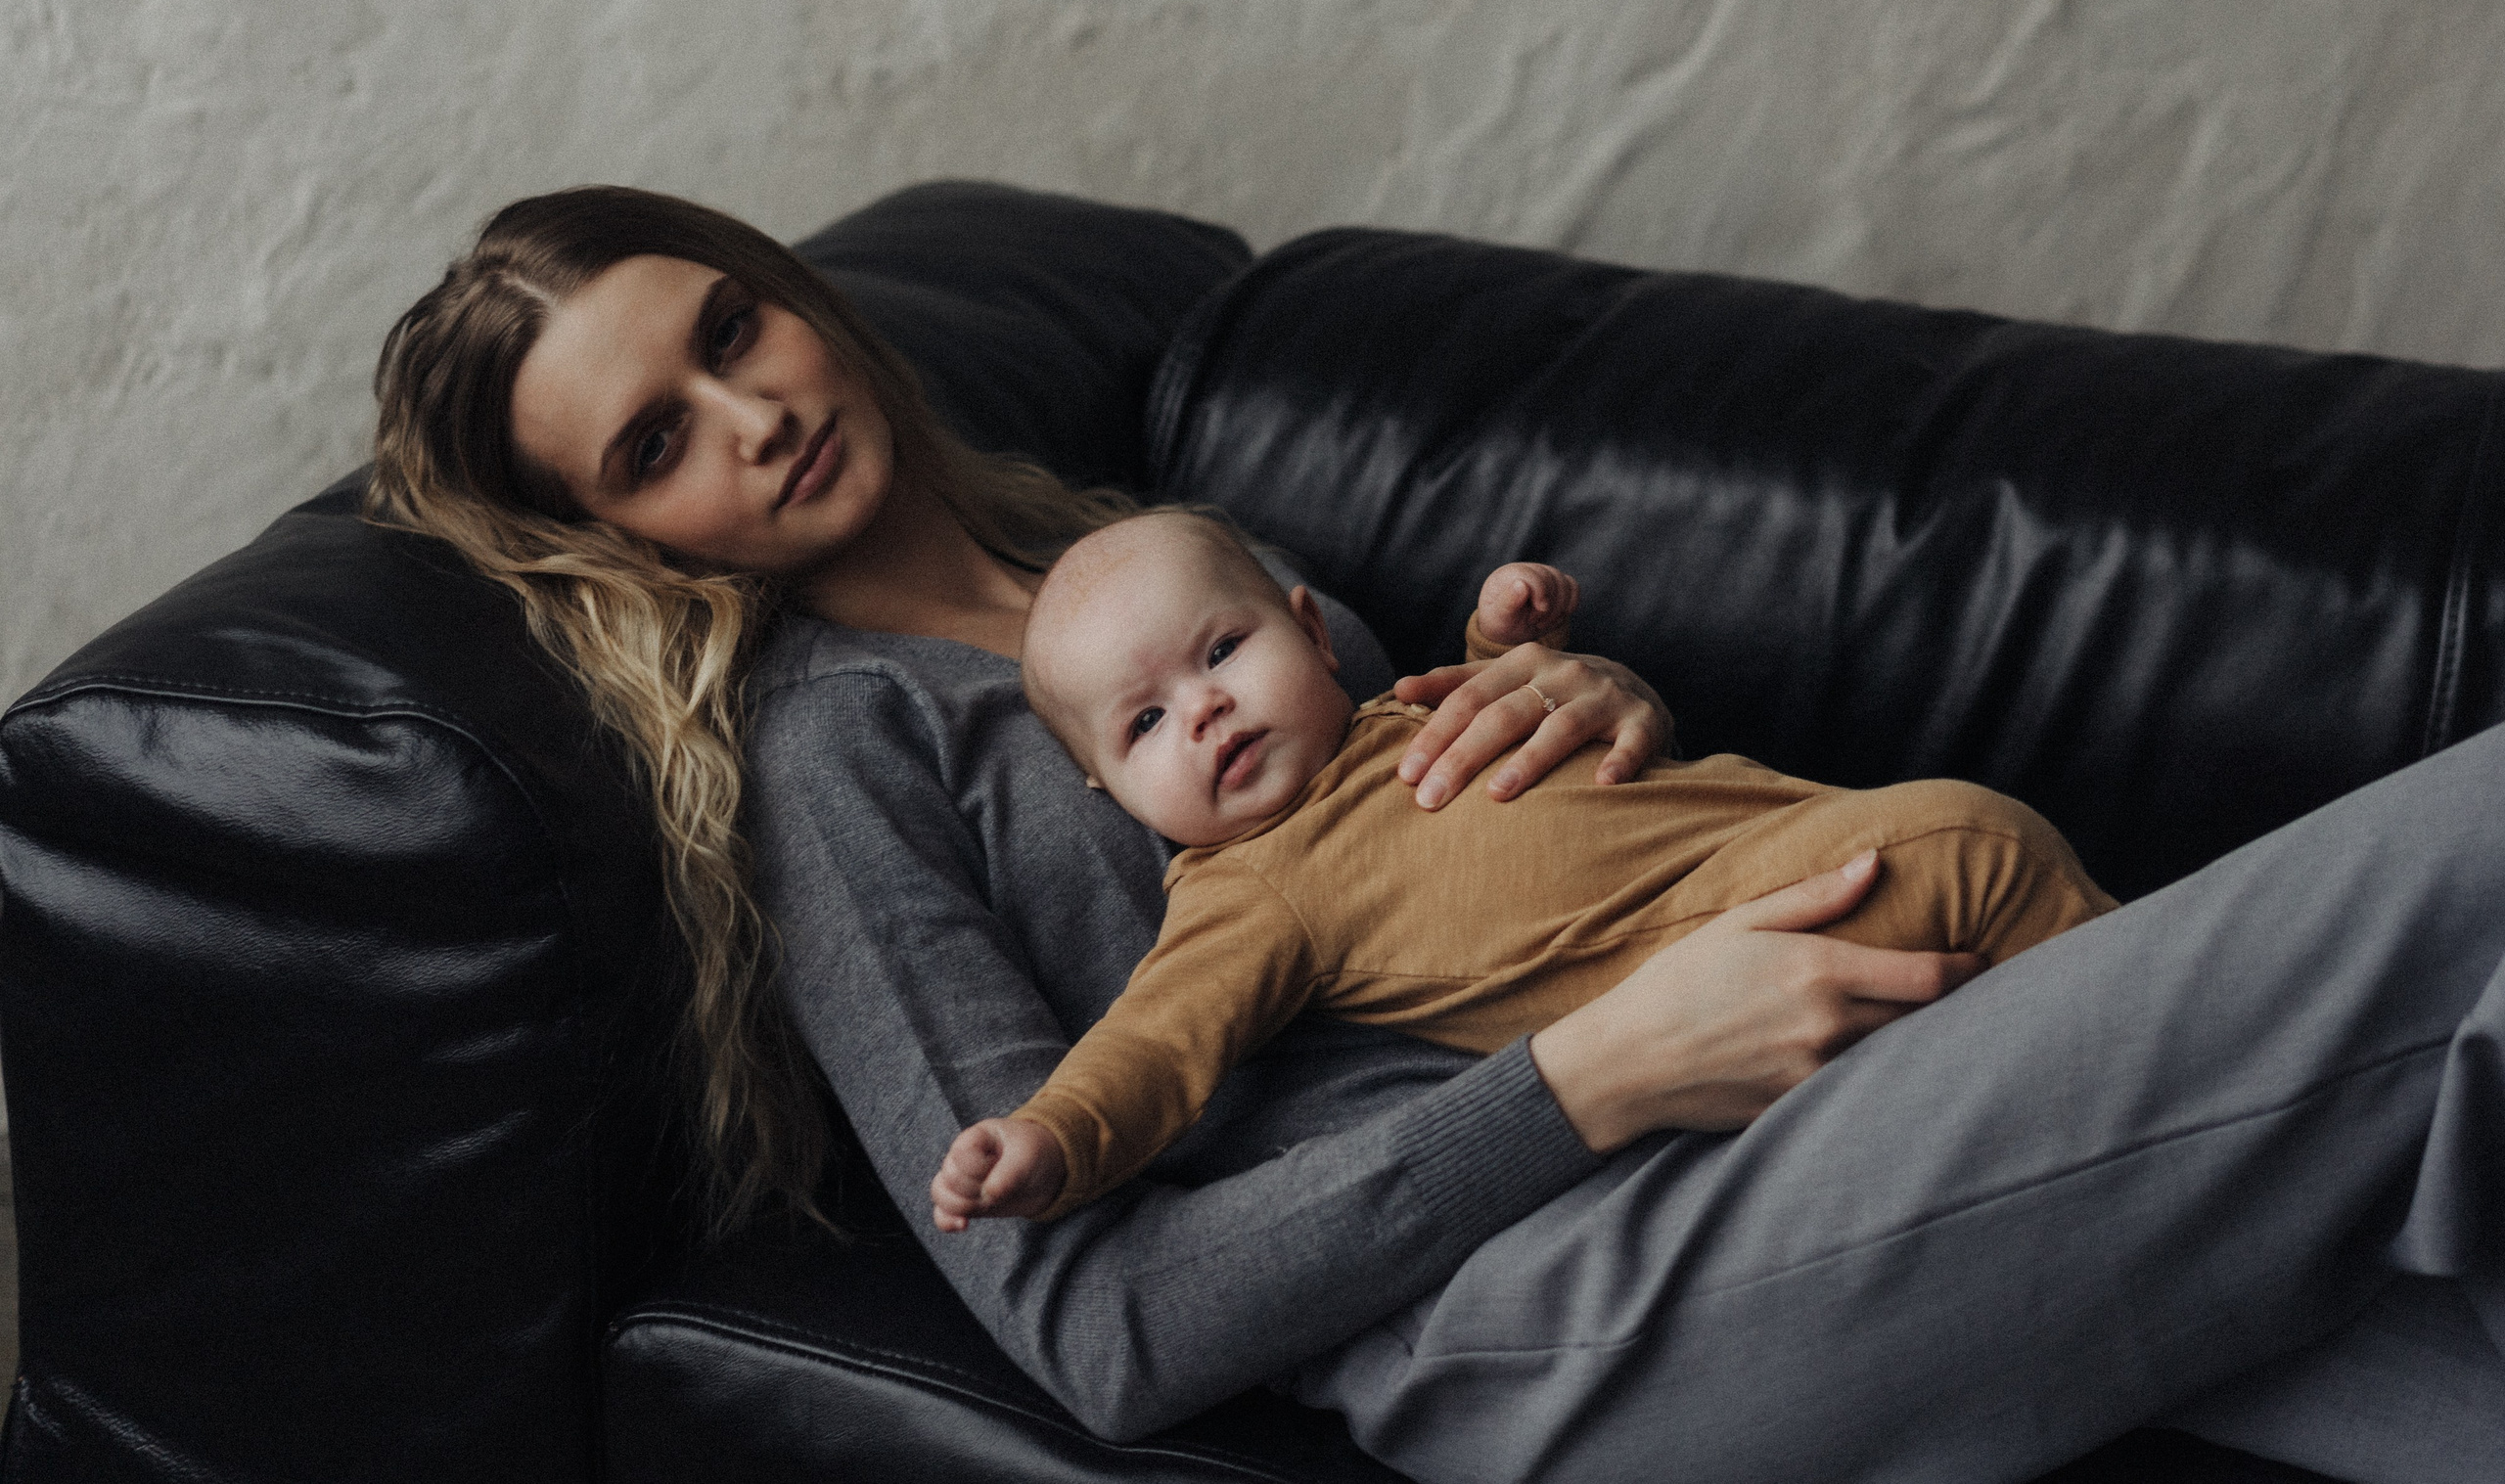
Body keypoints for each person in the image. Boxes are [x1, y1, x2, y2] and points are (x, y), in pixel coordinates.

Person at [368, 183, 2505, 1484]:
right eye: (656, 441)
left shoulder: (1138, 557)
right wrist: (1596, 1075)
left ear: (789, 289)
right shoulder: (839, 759)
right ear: (621, 540)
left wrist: (1595, 705)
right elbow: (1101, 1333)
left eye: (730, 328)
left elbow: (1453, 864)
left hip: (1794, 1121)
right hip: (1562, 1295)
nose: (753, 415)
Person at [934, 510, 2110, 1227]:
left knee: (2025, 944)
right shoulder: (1248, 891)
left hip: (1780, 838)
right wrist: (1051, 1138)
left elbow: (1517, 714)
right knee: (1977, 857)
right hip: (1755, 930)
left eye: (1223, 650)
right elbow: (1154, 1043)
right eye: (1143, 724)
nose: (1202, 711)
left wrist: (1510, 638)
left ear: (1314, 633)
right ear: (1109, 790)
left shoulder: (1402, 715)